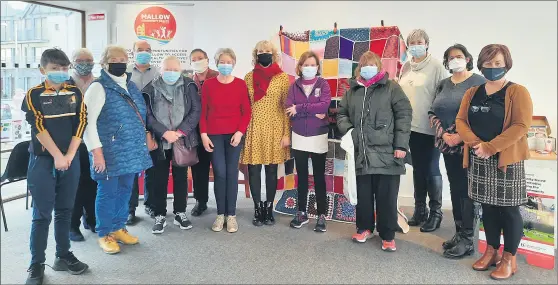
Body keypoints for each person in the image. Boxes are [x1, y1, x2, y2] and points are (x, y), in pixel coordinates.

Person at [456, 44, 533, 280]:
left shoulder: (517, 91)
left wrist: (491, 147)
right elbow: (461, 121)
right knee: (487, 207)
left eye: (497, 63)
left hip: (505, 160)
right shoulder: (472, 92)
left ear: (506, 64)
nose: (492, 68)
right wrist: (477, 144)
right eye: (488, 64)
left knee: (509, 210)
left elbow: (521, 126)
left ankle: (510, 258)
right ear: (480, 64)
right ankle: (491, 251)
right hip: (480, 157)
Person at [22, 48, 89, 285]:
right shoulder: (34, 94)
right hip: (43, 161)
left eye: (64, 68)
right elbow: (38, 127)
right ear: (43, 70)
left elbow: (81, 123)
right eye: (54, 69)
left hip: (70, 159)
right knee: (41, 215)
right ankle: (36, 264)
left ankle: (63, 255)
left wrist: (69, 155)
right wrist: (57, 157)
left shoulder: (75, 92)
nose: (61, 73)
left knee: (65, 210)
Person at [337, 51, 412, 252]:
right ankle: (364, 228)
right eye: (363, 64)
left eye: (371, 64)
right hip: (361, 152)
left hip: (388, 153)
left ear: (379, 66)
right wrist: (350, 131)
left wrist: (401, 145)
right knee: (364, 194)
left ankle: (387, 235)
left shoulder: (392, 88)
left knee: (387, 196)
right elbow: (341, 114)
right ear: (359, 68)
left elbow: (404, 115)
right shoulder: (352, 90)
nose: (367, 67)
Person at [83, 45, 153, 254]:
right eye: (114, 58)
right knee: (107, 193)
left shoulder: (130, 85)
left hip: (130, 150)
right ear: (104, 63)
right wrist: (97, 153)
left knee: (125, 191)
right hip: (108, 152)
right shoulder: (98, 87)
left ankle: (118, 227)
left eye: (123, 58)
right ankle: (104, 233)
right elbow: (88, 123)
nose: (119, 62)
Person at [429, 44, 486, 259]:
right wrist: (443, 134)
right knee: (454, 188)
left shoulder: (478, 81)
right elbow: (432, 111)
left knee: (467, 191)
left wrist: (459, 135)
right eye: (451, 57)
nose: (455, 60)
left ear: (468, 59)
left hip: (468, 146)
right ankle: (459, 232)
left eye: (459, 56)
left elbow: (482, 113)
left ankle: (468, 238)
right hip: (447, 145)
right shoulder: (443, 84)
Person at [144, 55, 201, 234]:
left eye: (175, 70)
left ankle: (180, 212)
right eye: (167, 69)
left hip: (182, 139)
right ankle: (160, 214)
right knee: (158, 178)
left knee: (181, 177)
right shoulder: (150, 88)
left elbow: (195, 110)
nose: (171, 73)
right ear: (160, 70)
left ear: (181, 70)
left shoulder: (189, 85)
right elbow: (147, 115)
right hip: (159, 141)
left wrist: (180, 132)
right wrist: (164, 132)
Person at [399, 29, 447, 232]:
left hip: (429, 128)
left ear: (427, 43)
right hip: (409, 127)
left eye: (419, 41)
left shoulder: (436, 66)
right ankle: (420, 212)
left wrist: (440, 125)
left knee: (431, 169)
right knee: (418, 169)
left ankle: (436, 213)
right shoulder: (406, 66)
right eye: (412, 42)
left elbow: (443, 97)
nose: (416, 45)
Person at [200, 48, 251, 233]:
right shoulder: (208, 85)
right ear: (216, 63)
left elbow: (246, 112)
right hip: (214, 134)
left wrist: (239, 132)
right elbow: (203, 111)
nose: (225, 65)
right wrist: (204, 134)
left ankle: (231, 215)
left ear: (234, 63)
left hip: (234, 136)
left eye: (229, 62)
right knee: (220, 173)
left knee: (231, 173)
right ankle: (220, 213)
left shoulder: (240, 84)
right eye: (222, 61)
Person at [241, 40, 290, 227]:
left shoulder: (282, 77)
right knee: (253, 169)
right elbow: (244, 106)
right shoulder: (248, 77)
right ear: (256, 54)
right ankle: (257, 208)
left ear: (273, 53)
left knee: (271, 170)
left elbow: (286, 107)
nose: (264, 54)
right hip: (253, 126)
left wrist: (287, 134)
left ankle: (269, 208)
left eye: (267, 51)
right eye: (261, 51)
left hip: (275, 127)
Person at [285, 51, 331, 232]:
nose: (310, 68)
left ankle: (321, 215)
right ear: (300, 67)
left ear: (318, 67)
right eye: (306, 64)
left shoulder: (323, 84)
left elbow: (324, 106)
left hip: (318, 135)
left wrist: (300, 108)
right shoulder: (294, 86)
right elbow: (289, 108)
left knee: (319, 176)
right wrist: (310, 110)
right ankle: (301, 212)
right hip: (298, 135)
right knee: (302, 176)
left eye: (313, 65)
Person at [127, 40, 160, 225]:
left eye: (148, 50)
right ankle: (130, 209)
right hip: (131, 126)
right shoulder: (125, 73)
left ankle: (151, 204)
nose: (144, 53)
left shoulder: (158, 73)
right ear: (133, 52)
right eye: (140, 50)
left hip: (153, 125)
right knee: (131, 169)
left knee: (152, 167)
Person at [67, 48, 98, 242]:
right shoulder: (65, 85)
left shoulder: (99, 83)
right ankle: (72, 225)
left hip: (95, 142)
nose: (85, 63)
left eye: (89, 60)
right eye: (80, 60)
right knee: (76, 185)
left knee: (94, 181)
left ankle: (92, 219)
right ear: (72, 63)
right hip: (73, 142)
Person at [189, 48, 219, 217]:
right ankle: (201, 201)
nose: (198, 61)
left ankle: (222, 202)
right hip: (195, 131)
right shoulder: (189, 81)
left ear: (207, 59)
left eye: (200, 58)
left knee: (218, 167)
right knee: (198, 168)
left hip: (215, 129)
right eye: (194, 59)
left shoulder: (216, 76)